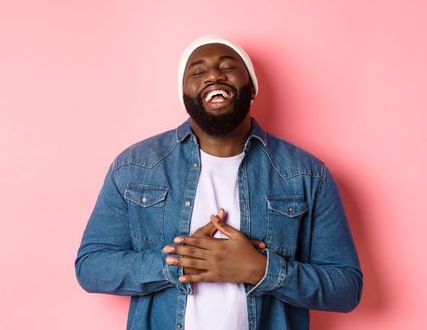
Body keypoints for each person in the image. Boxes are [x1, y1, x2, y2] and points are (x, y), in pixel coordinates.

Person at [74, 35, 362, 330]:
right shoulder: (135, 167)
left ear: (251, 88)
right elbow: (91, 267)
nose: (213, 75)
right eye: (198, 71)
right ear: (184, 94)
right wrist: (179, 263)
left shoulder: (307, 174)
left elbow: (346, 288)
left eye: (228, 67)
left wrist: (263, 270)